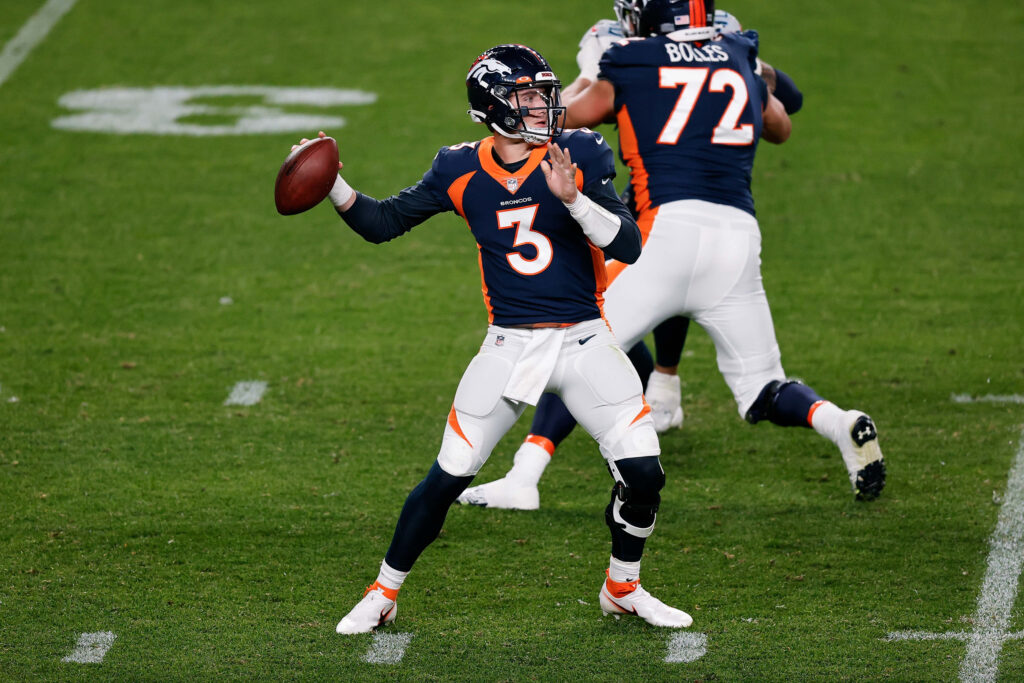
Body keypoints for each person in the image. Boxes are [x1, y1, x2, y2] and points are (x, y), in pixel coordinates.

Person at [457, 0, 885, 512]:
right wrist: (746, 63)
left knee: (573, 342)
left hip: (666, 231)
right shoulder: (734, 52)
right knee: (762, 386)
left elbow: (550, 121)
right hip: (737, 237)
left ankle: (524, 477)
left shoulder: (633, 58)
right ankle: (838, 422)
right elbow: (781, 123)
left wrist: (591, 72)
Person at [322, 43, 692, 634]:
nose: (543, 105)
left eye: (544, 94)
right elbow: (383, 222)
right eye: (526, 96)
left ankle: (623, 585)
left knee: (645, 472)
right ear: (491, 106)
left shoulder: (578, 150)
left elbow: (628, 245)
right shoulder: (458, 167)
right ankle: (383, 592)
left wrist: (574, 200)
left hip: (584, 338)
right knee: (448, 475)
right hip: (509, 344)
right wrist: (335, 188)